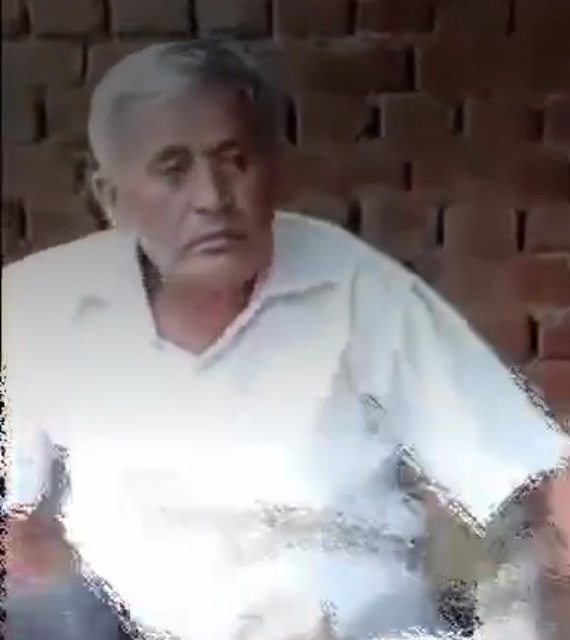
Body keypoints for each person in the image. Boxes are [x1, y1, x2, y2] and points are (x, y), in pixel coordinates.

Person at [3, 40, 569, 640]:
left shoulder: (358, 291)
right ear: (111, 199)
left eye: (234, 160)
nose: (212, 198)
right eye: (174, 169)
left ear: (276, 172)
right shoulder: (36, 308)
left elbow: (531, 474)